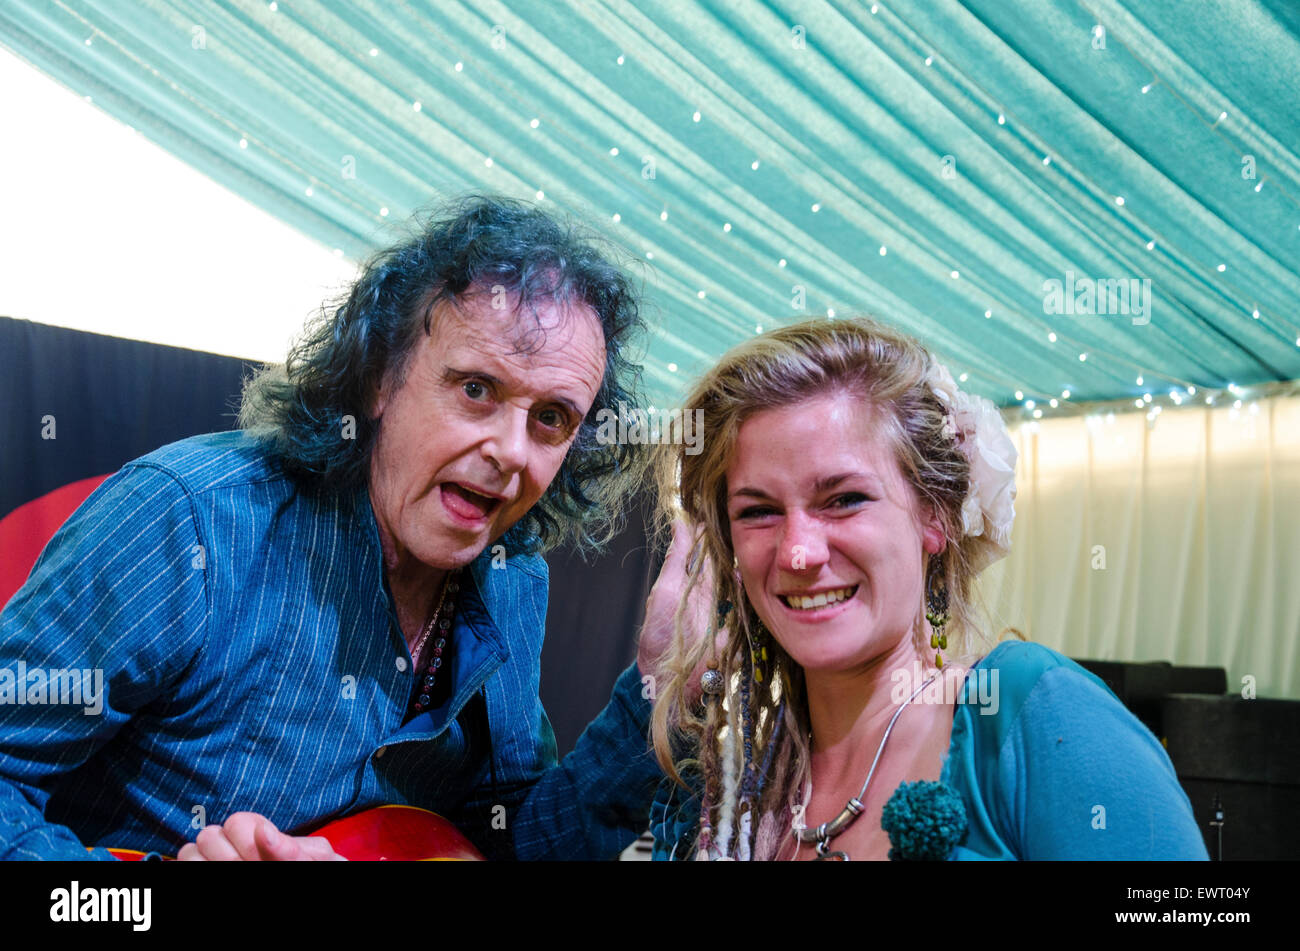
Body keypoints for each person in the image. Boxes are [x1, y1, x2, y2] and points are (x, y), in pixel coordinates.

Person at [0, 195, 670, 861]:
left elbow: (509, 846)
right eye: (475, 389)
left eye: (551, 417)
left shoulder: (514, 576)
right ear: (381, 377)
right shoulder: (187, 520)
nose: (513, 451)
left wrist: (659, 693)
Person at [645, 316, 1209, 860]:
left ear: (934, 516)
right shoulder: (734, 785)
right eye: (759, 511)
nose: (798, 552)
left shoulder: (1032, 711)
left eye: (844, 500)